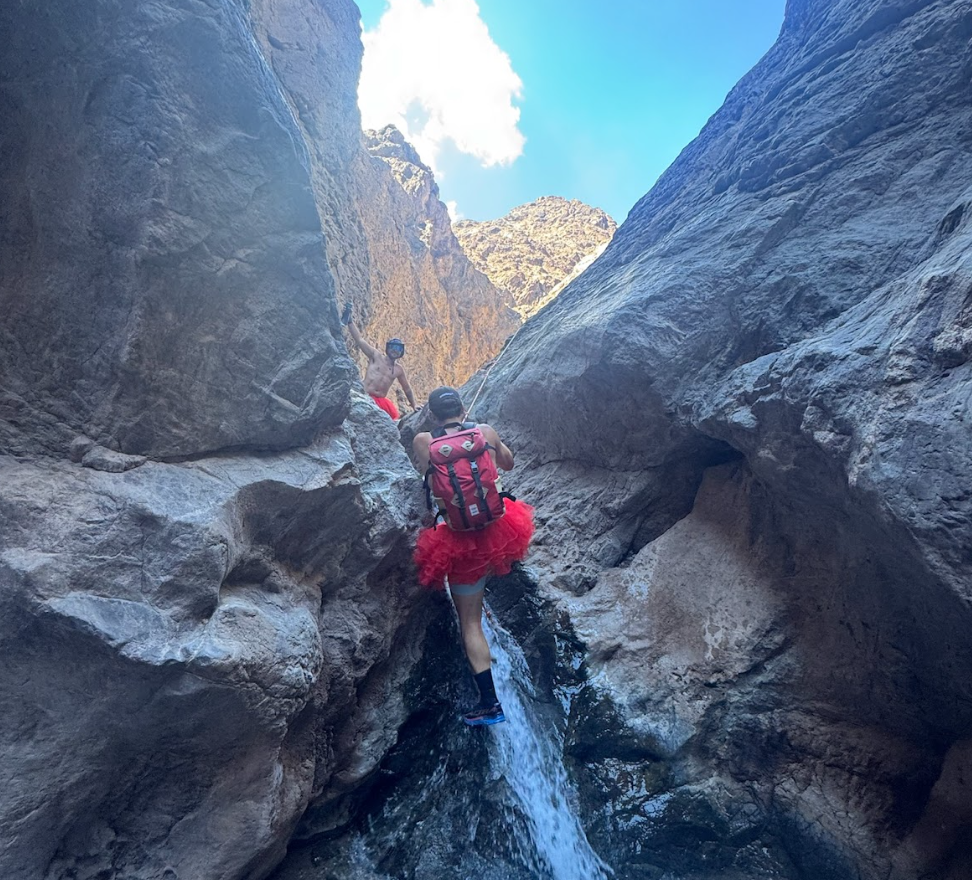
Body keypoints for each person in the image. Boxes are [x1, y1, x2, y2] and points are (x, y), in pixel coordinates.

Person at [412, 386, 535, 726]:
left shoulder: (424, 441)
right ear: (463, 408)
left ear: (433, 414)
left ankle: (490, 703)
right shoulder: (485, 432)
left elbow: (425, 476)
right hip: (501, 530)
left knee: (470, 622)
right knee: (491, 578)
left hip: (458, 540)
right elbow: (508, 464)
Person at [342, 303, 416, 418]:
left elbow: (407, 389)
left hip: (381, 401)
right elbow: (360, 340)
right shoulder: (376, 356)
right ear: (388, 348)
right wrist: (350, 321)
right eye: (392, 347)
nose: (394, 350)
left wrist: (414, 406)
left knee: (392, 420)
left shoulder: (398, 370)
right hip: (365, 396)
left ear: (401, 352)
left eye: (398, 348)